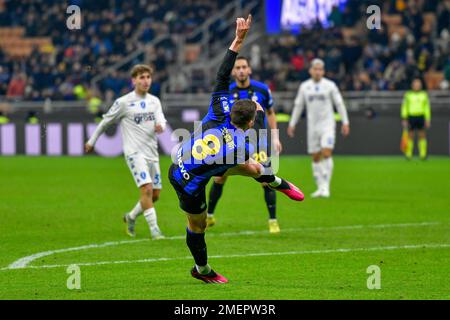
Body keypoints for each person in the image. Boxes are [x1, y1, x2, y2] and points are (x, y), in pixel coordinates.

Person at [168, 15, 304, 284]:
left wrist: (238, 40)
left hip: (177, 165)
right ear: (251, 122)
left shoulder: (219, 110)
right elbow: (244, 150)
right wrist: (262, 116)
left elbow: (221, 75)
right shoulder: (242, 146)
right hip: (190, 183)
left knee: (251, 168)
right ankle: (202, 271)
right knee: (198, 225)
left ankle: (277, 182)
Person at [85, 64, 167, 239]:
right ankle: (155, 230)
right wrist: (91, 141)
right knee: (146, 189)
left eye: (148, 77)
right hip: (134, 153)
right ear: (134, 80)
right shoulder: (123, 102)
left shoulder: (154, 101)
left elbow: (161, 119)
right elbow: (105, 122)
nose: (146, 81)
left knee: (155, 195)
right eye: (141, 77)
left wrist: (161, 125)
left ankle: (130, 217)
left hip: (152, 153)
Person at [206, 56, 283, 233]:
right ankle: (209, 215)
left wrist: (276, 137)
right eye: (238, 67)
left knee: (266, 178)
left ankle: (273, 220)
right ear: (233, 72)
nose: (241, 70)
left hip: (259, 142)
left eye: (244, 67)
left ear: (249, 70)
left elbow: (271, 113)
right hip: (233, 141)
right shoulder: (227, 92)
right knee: (220, 177)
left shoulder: (262, 90)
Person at [287, 58, 350, 198]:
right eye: (315, 69)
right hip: (312, 127)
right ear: (310, 70)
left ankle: (326, 186)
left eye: (320, 69)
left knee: (326, 152)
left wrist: (345, 122)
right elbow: (298, 106)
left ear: (323, 71)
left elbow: (339, 104)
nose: (317, 72)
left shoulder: (330, 85)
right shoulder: (305, 86)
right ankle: (320, 187)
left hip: (327, 125)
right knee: (315, 157)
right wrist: (292, 123)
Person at [401, 78, 431, 160]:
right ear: (412, 85)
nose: (417, 86)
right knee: (410, 135)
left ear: (421, 85)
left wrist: (427, 119)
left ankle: (423, 155)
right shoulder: (408, 95)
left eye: (418, 84)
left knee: (422, 135)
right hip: (411, 117)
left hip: (421, 116)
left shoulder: (424, 95)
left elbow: (427, 108)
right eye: (415, 84)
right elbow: (404, 107)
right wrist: (404, 118)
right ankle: (408, 154)